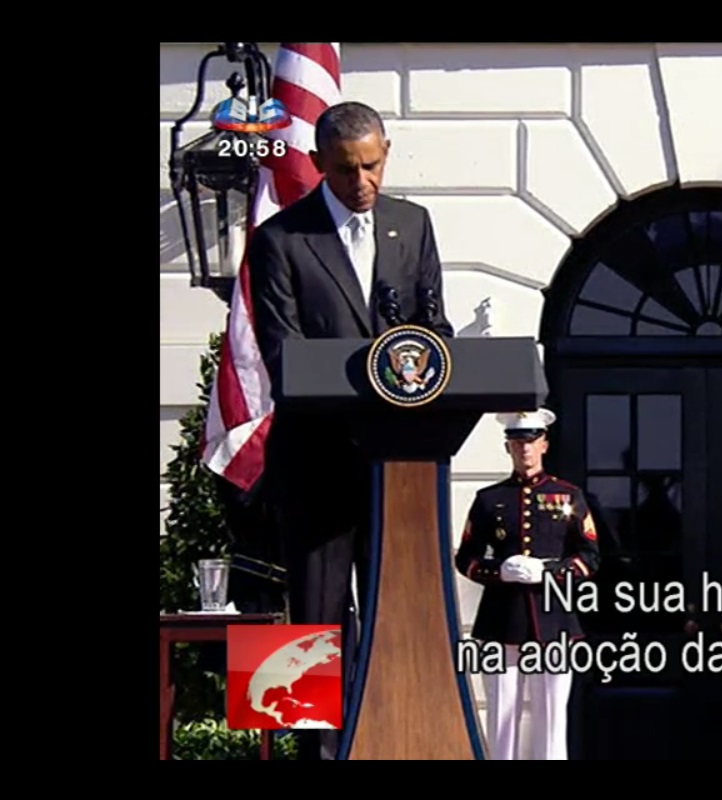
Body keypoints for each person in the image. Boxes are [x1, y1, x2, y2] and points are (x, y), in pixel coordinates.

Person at [248, 100, 454, 760]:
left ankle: (399, 745)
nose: (361, 182)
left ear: (386, 153)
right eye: (344, 170)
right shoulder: (281, 239)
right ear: (317, 164)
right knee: (316, 623)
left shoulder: (411, 225)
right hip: (317, 466)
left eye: (371, 166)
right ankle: (316, 755)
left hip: (403, 468)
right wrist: (369, 380)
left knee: (403, 624)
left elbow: (434, 330)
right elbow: (284, 354)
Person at [454, 409, 602, 760]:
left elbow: (590, 556)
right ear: (508, 447)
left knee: (551, 720)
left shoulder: (568, 495)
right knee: (501, 718)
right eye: (517, 442)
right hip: (501, 620)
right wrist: (499, 571)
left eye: (532, 441)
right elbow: (466, 558)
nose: (525, 449)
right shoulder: (489, 499)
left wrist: (549, 572)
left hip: (554, 621)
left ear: (544, 445)